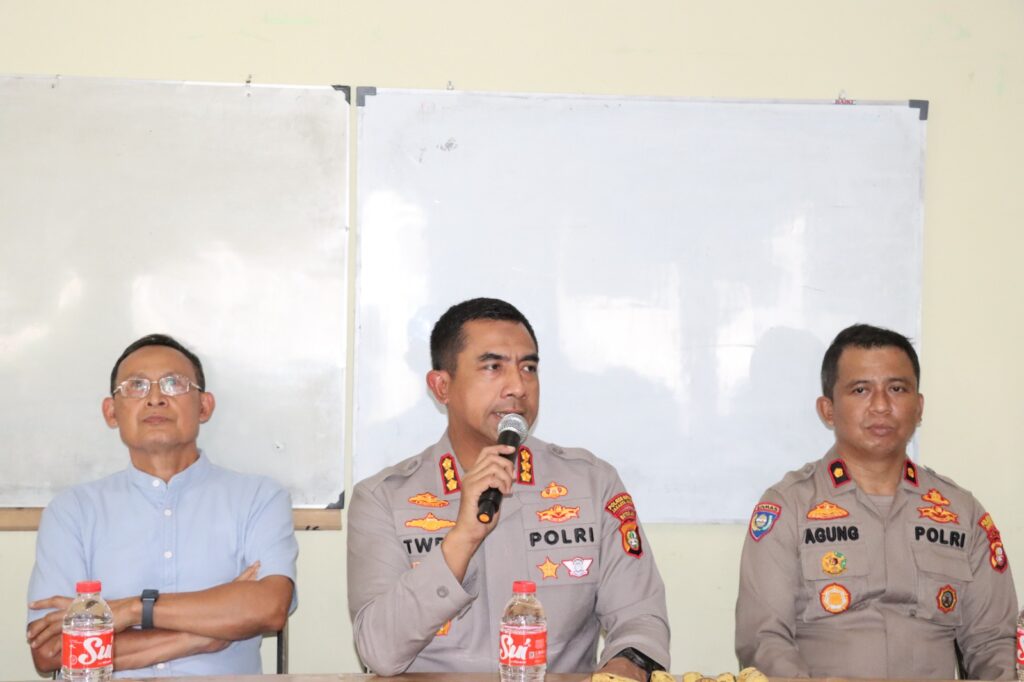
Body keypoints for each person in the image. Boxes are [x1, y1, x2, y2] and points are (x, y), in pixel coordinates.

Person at [347, 298, 670, 681]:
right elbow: (379, 652)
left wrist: (624, 667)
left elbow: (640, 619)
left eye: (528, 368)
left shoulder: (592, 484)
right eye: (493, 367)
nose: (518, 386)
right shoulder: (383, 499)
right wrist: (462, 539)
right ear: (442, 386)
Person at [735, 323, 1017, 679]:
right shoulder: (788, 507)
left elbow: (993, 643)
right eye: (861, 390)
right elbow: (763, 641)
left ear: (918, 407)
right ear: (828, 409)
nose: (881, 405)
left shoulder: (961, 513)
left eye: (897, 389)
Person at [26, 334, 298, 677]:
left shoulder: (258, 498)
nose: (155, 398)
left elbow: (269, 607)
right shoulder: (72, 512)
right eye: (136, 386)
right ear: (111, 412)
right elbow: (51, 652)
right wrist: (202, 635)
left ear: (204, 406)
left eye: (174, 384)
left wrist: (132, 610)